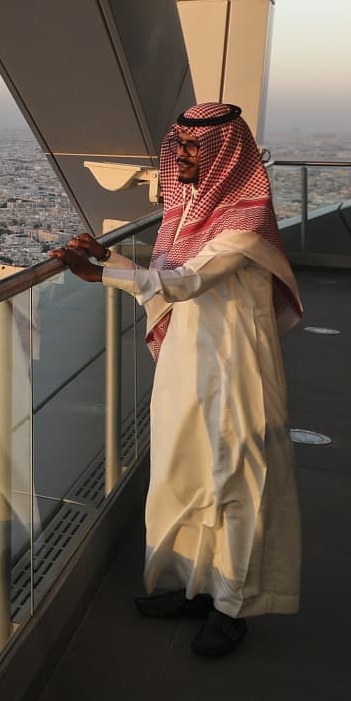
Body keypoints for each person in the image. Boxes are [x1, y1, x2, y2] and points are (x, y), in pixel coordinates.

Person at [50, 102, 303, 657]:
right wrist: (109, 261)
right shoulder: (186, 213)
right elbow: (164, 280)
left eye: (195, 148)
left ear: (224, 155)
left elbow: (187, 282)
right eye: (180, 145)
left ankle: (232, 606)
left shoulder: (245, 219)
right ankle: (196, 587)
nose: (184, 157)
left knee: (236, 480)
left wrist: (107, 271)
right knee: (186, 472)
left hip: (236, 367)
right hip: (189, 364)